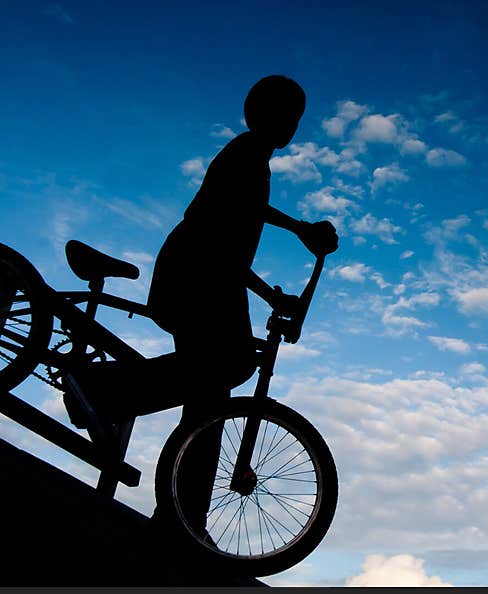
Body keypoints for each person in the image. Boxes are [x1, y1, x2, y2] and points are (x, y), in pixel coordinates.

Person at [68, 75, 338, 533]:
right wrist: (299, 230)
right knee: (226, 366)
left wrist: (269, 291)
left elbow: (231, 244)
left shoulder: (254, 161)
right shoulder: (247, 155)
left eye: (295, 116)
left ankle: (182, 515)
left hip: (206, 275)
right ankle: (103, 390)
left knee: (211, 395)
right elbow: (232, 230)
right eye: (286, 113)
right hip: (195, 276)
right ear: (264, 114)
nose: (292, 124)